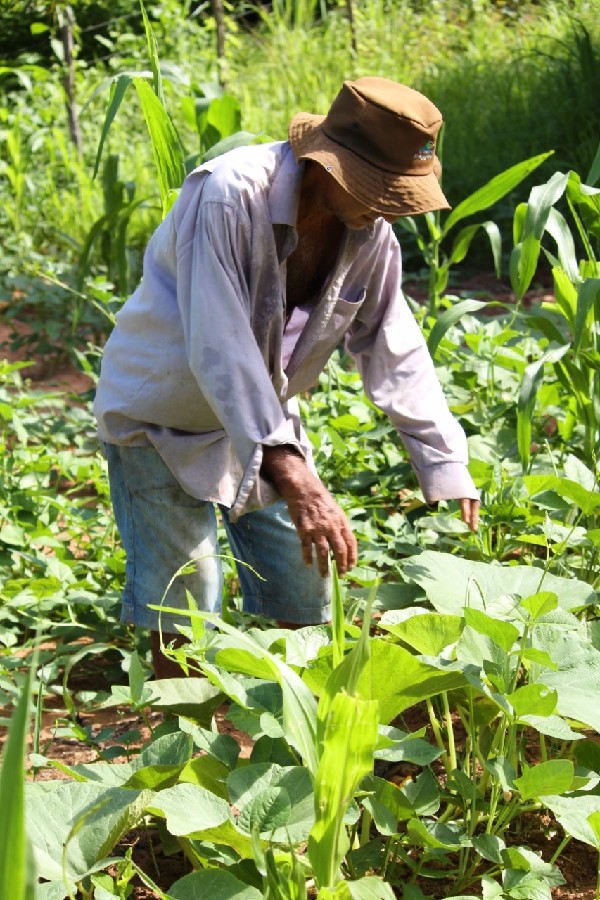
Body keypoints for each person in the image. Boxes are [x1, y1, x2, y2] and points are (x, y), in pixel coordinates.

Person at [94, 76, 480, 677]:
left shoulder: (367, 228)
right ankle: (179, 751)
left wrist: (443, 460)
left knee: (309, 582)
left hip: (261, 418)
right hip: (161, 415)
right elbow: (218, 344)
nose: (385, 206)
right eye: (377, 188)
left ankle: (302, 732)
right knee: (187, 598)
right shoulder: (227, 195)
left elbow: (390, 340)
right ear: (327, 163)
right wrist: (296, 475)